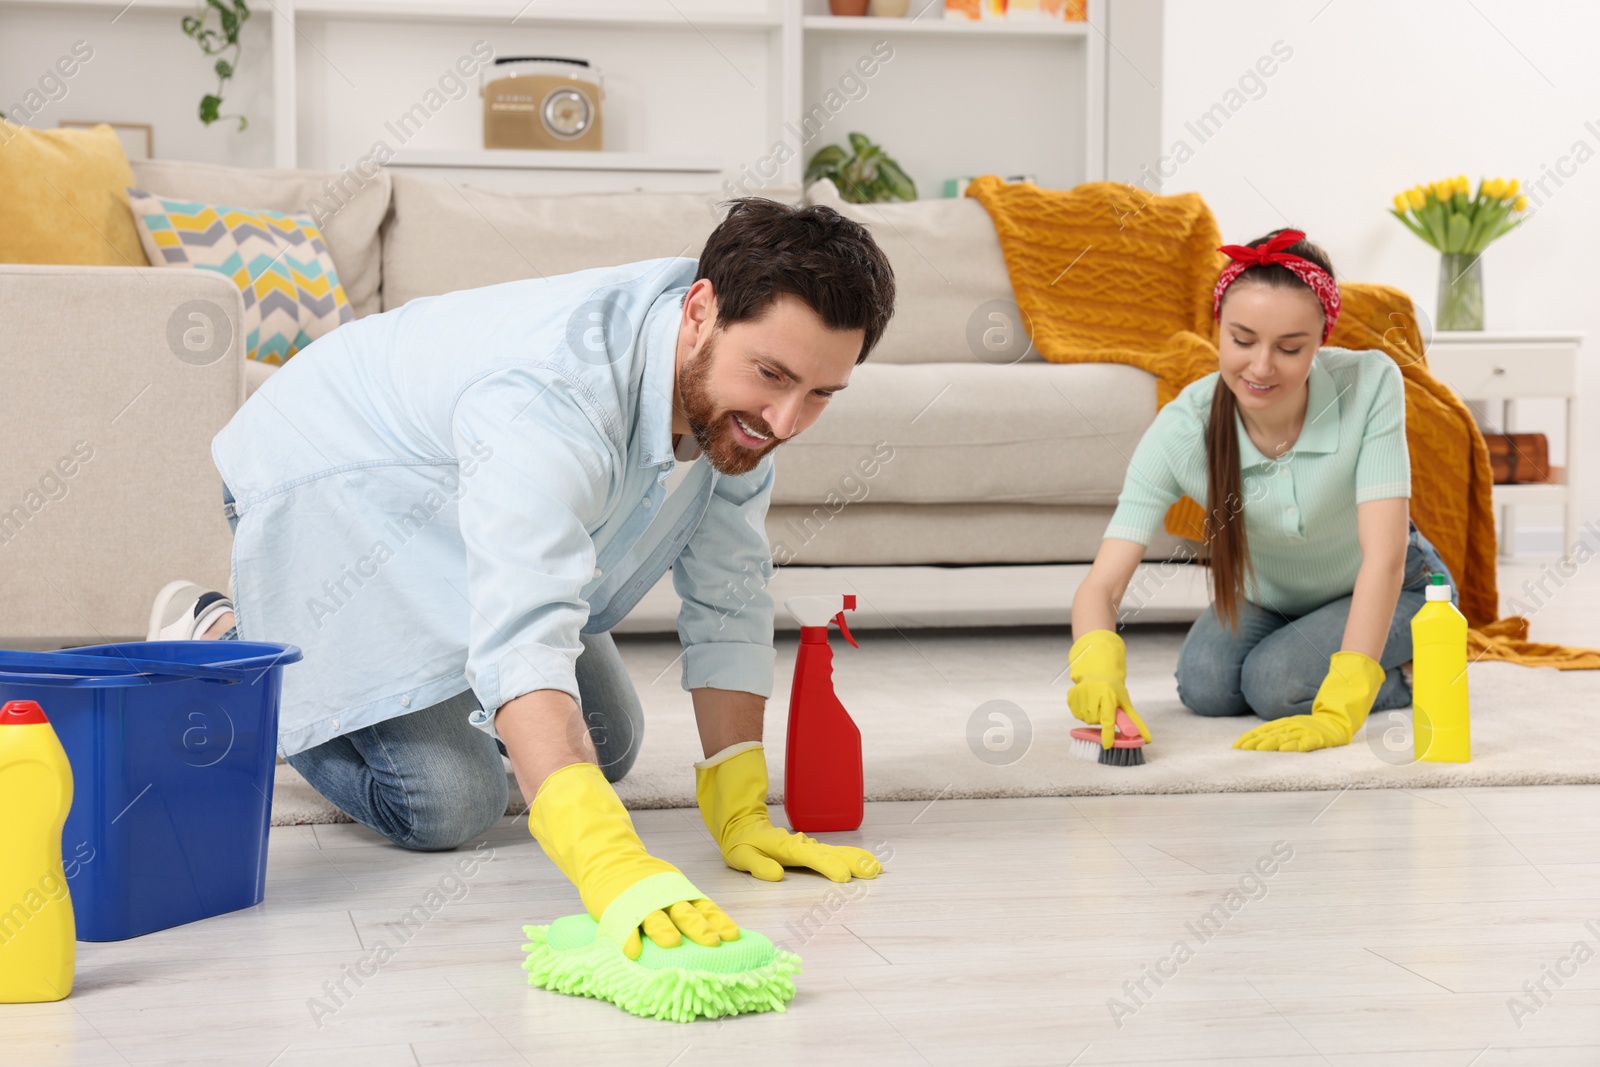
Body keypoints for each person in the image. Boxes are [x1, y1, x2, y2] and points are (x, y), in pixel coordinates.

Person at [146, 197, 895, 959]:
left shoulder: (741, 407)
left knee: (610, 743)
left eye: (820, 394)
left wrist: (741, 808)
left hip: (460, 503)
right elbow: (525, 634)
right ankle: (231, 639)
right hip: (329, 486)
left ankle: (446, 697)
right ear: (701, 310)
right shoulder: (551, 394)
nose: (785, 419)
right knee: (449, 803)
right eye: (771, 374)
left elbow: (729, 588)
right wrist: (608, 861)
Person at [1066, 228, 1457, 754]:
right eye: (1242, 340)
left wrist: (1345, 701)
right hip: (1271, 596)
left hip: (1400, 587)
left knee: (1277, 686)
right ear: (1218, 330)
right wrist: (1095, 665)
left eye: (1290, 348)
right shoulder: (1184, 428)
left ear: (1322, 340)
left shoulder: (1370, 384)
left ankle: (1411, 671)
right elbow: (1102, 585)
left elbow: (1384, 559)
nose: (1261, 367)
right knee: (1204, 685)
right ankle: (1311, 652)